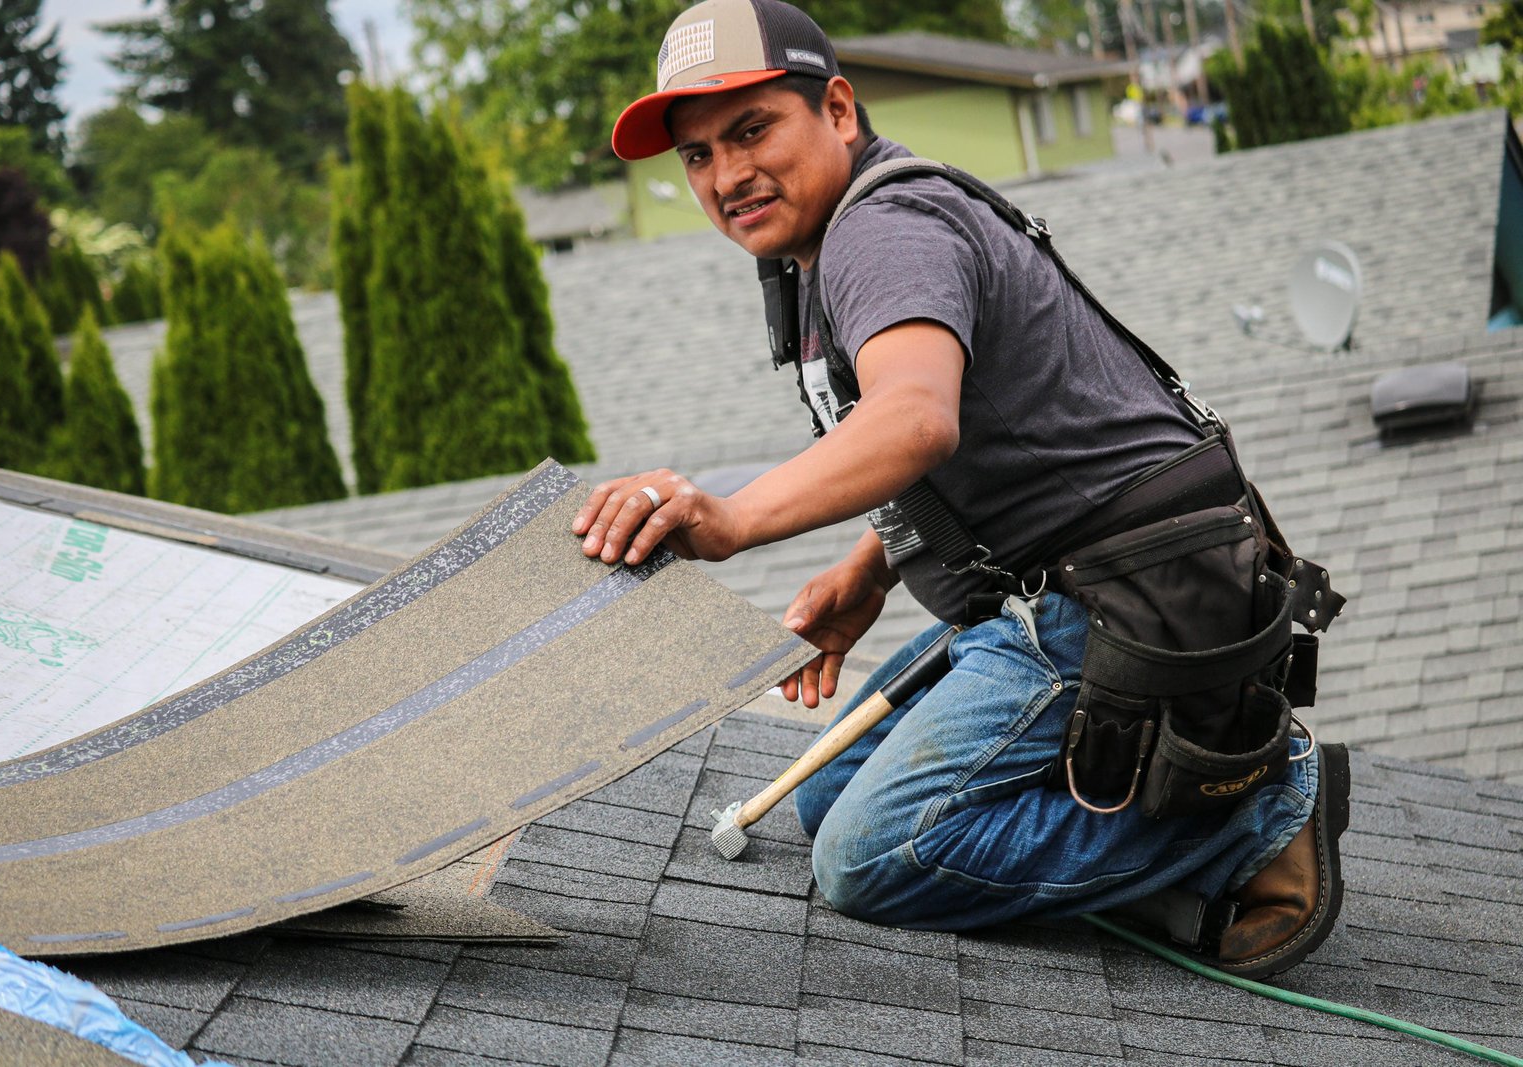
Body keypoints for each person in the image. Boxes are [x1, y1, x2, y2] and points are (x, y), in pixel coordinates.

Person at [573, 0, 1348, 978]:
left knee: (867, 854)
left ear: (838, 110)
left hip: (1119, 599)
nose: (727, 175)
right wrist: (872, 567)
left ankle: (1255, 805)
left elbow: (914, 419)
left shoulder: (882, 231)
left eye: (752, 130)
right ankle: (1150, 820)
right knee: (826, 796)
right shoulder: (829, 244)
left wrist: (732, 519)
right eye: (697, 155)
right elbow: (987, 433)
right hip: (1072, 587)